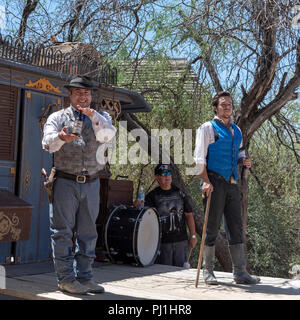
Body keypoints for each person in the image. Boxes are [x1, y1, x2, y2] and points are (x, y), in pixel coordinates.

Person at [42, 75, 116, 294]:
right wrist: (60, 138)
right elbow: (47, 144)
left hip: (92, 182)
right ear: (70, 95)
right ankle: (65, 278)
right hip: (65, 180)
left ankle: (85, 277)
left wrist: (94, 117)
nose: (83, 97)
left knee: (88, 232)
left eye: (87, 93)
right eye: (78, 93)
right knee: (62, 232)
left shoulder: (101, 116)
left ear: (91, 96)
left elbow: (107, 136)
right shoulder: (57, 117)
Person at [193, 91, 260, 285]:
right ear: (215, 107)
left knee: (236, 227)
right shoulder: (207, 128)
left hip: (232, 183)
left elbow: (240, 152)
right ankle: (208, 271)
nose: (227, 107)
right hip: (213, 181)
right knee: (211, 227)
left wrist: (244, 160)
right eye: (223, 104)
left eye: (230, 104)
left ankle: (240, 273)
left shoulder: (237, 130)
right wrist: (205, 181)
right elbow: (198, 159)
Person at [137, 164, 197, 267]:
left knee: (181, 273)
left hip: (181, 242)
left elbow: (189, 215)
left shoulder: (180, 193)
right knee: (164, 273)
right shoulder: (152, 196)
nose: (167, 176)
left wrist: (193, 235)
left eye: (169, 173)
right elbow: (145, 219)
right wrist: (137, 206)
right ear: (156, 177)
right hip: (161, 244)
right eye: (163, 174)